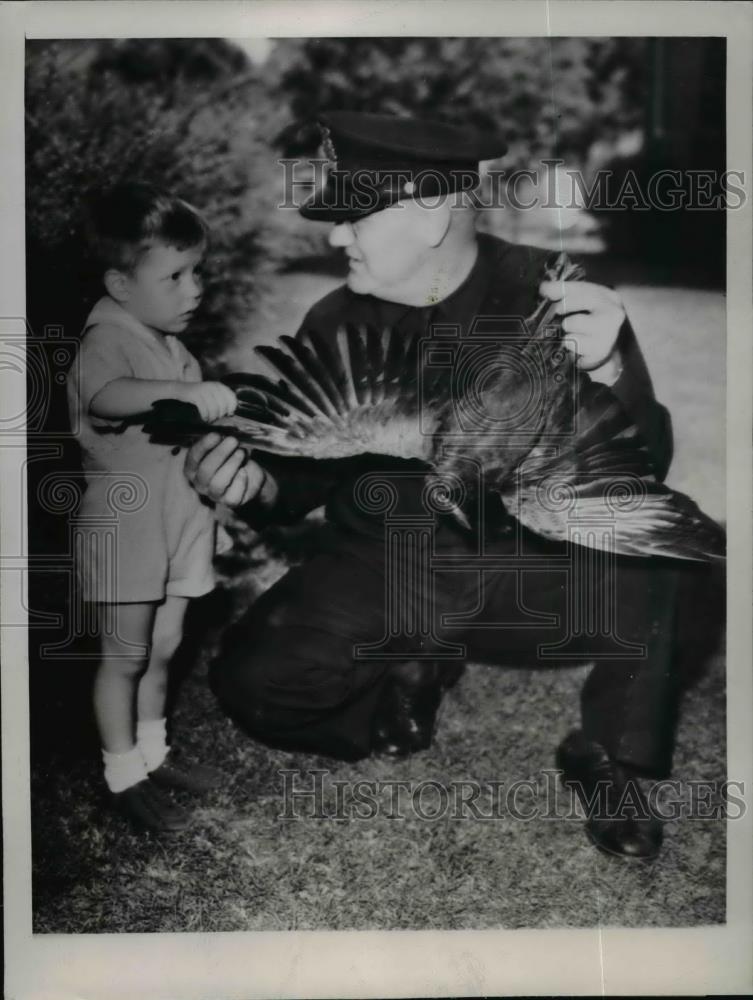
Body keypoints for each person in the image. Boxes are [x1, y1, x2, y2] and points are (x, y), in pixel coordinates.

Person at [185, 112, 720, 859]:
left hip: (530, 560)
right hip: (387, 562)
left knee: (658, 548)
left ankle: (611, 757)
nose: (336, 237)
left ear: (431, 212)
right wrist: (250, 485)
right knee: (256, 682)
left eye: (353, 216)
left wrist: (607, 371)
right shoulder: (335, 316)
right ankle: (405, 676)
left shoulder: (554, 294)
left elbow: (641, 465)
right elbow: (297, 476)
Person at [66, 182, 237, 832]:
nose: (193, 289)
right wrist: (181, 394)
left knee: (163, 648)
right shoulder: (105, 339)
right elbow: (108, 397)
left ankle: (154, 751)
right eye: (174, 276)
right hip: (128, 527)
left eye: (196, 273)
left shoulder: (171, 343)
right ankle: (121, 774)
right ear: (119, 282)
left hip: (175, 522)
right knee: (123, 657)